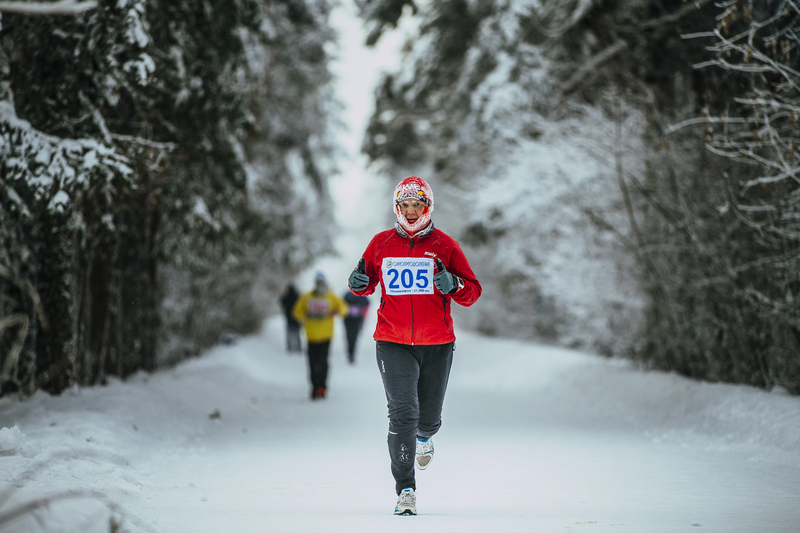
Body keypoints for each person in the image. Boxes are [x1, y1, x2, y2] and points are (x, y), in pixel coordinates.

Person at [347, 176, 481, 516]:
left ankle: (425, 439)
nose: (410, 212)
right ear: (396, 207)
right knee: (403, 413)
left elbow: (472, 292)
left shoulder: (446, 246)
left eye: (417, 205)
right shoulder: (380, 244)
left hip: (437, 343)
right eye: (404, 205)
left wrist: (453, 284)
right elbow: (365, 281)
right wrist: (357, 282)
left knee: (428, 419)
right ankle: (406, 489)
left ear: (428, 207)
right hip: (392, 342)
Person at [292, 272, 347, 400]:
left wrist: (336, 311)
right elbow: (296, 312)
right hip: (310, 336)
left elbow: (344, 309)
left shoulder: (331, 296)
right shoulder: (306, 297)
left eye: (321, 282)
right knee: (312, 363)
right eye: (318, 282)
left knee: (323, 362)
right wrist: (306, 315)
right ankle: (314, 387)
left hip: (326, 336)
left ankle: (322, 387)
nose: (320, 285)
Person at [342, 291, 370, 364]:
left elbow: (366, 305)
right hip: (350, 319)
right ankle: (351, 352)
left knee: (351, 336)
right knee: (352, 336)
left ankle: (351, 352)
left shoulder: (348, 295)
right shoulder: (350, 294)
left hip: (355, 319)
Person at [279, 283, 302, 353]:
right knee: (297, 334)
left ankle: (290, 347)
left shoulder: (286, 296)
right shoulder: (297, 296)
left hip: (288, 318)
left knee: (289, 333)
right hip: (296, 318)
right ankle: (298, 347)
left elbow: (281, 301)